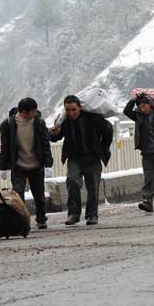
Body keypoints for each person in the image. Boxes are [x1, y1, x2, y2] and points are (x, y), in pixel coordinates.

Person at [50, 95, 113, 226]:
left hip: (92, 158)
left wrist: (103, 149)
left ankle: (92, 215)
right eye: (68, 110)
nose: (71, 113)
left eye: (74, 109)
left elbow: (108, 129)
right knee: (72, 181)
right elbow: (55, 136)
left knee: (93, 187)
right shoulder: (63, 120)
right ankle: (73, 214)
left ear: (79, 107)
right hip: (74, 158)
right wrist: (54, 134)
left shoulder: (92, 118)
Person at [0, 97, 53, 230]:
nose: (35, 113)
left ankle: (41, 219)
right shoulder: (8, 124)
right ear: (23, 112)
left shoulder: (39, 123)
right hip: (18, 166)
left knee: (39, 195)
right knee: (18, 195)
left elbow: (45, 144)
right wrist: (2, 167)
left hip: (36, 165)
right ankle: (21, 222)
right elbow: (5, 146)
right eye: (32, 111)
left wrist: (48, 164)